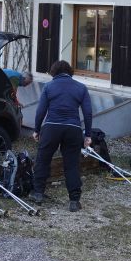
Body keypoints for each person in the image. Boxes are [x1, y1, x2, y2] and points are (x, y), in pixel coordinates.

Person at [31, 60, 93, 212]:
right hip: (73, 128)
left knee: (43, 159)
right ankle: (74, 201)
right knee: (71, 164)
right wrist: (88, 134)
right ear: (70, 72)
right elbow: (88, 113)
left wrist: (37, 129)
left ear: (54, 72)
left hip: (51, 127)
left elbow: (40, 111)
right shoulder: (81, 88)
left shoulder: (49, 86)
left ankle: (38, 193)